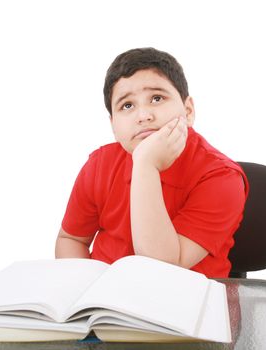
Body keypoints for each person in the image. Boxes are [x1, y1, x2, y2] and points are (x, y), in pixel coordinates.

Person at [55, 47, 248, 278]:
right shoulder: (99, 165)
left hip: (183, 302)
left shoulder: (221, 177)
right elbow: (71, 239)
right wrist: (83, 289)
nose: (143, 115)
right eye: (127, 105)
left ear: (188, 111)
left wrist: (146, 165)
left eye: (157, 98)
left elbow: (160, 268)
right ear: (113, 125)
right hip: (105, 300)